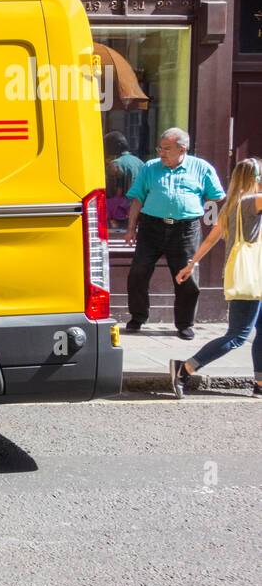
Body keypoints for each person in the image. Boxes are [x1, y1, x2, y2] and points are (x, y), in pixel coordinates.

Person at [169, 157, 262, 398]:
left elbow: (212, 238)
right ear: (256, 179)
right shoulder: (252, 202)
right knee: (237, 336)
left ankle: (260, 384)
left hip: (255, 278)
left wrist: (191, 264)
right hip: (250, 280)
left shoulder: (232, 204)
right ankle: (185, 368)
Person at [124, 127, 225, 339]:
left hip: (185, 229)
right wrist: (131, 228)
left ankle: (185, 324)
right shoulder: (150, 167)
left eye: (167, 149)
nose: (161, 153)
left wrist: (191, 203)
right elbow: (137, 199)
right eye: (160, 148)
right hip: (151, 227)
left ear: (182, 149)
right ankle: (138, 317)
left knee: (186, 278)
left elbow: (217, 195)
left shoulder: (201, 168)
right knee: (138, 272)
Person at [104, 130, 144, 225]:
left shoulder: (115, 164)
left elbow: (111, 192)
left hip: (119, 214)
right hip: (138, 212)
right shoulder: (140, 163)